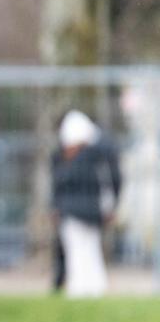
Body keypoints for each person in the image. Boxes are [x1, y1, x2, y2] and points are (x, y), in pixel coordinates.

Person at [50, 109, 121, 298]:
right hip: (89, 212)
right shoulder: (99, 156)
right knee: (86, 250)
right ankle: (90, 289)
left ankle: (82, 290)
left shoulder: (75, 162)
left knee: (81, 251)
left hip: (78, 212)